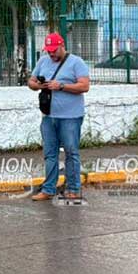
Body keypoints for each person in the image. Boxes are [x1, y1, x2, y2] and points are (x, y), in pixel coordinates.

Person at [26, 32, 90, 201]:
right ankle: (48, 189)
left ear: (62, 46)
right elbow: (30, 82)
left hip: (70, 117)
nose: (51, 54)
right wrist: (39, 85)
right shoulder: (43, 61)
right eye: (49, 51)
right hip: (48, 116)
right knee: (50, 153)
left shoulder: (77, 62)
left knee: (71, 152)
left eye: (54, 50)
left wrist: (61, 86)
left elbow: (84, 86)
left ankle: (74, 188)